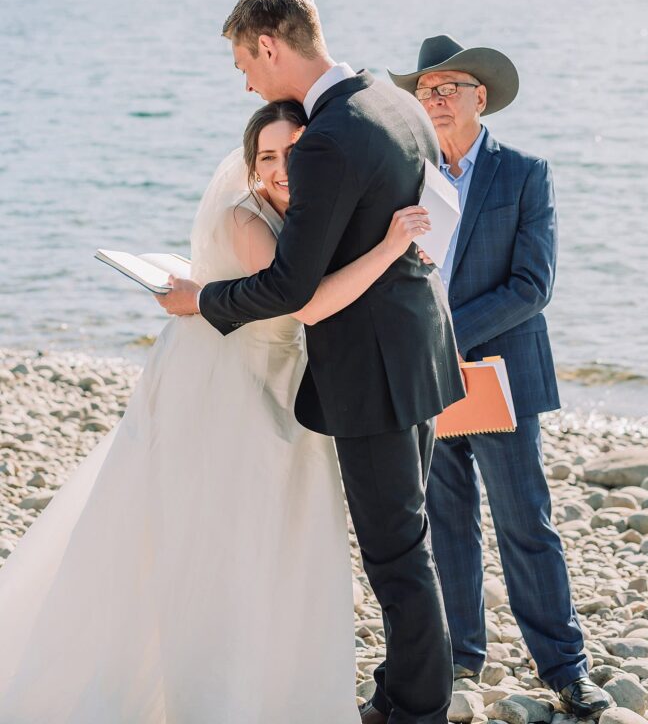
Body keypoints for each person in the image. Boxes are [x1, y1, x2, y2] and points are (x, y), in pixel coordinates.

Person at [0, 99, 433, 724]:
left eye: (295, 153)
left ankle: (277, 678)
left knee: (288, 535)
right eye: (267, 157)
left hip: (289, 381)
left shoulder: (315, 211)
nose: (282, 169)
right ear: (252, 168)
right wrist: (392, 247)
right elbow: (305, 305)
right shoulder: (248, 219)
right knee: (229, 533)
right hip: (231, 379)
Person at [161, 0, 465, 724]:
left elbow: (290, 285)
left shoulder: (328, 137)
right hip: (422, 348)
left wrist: (200, 300)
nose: (245, 80)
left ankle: (417, 709)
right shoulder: (392, 99)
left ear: (270, 45)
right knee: (410, 533)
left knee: (396, 551)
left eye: (243, 62)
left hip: (374, 373)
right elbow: (432, 209)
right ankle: (403, 688)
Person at [389, 35, 612, 720]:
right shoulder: (407, 177)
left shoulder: (524, 173)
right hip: (432, 379)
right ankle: (460, 658)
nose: (435, 101)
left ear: (480, 98)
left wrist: (443, 328)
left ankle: (566, 667)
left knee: (526, 523)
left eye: (448, 88)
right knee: (447, 523)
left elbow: (532, 286)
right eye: (425, 91)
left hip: (502, 377)